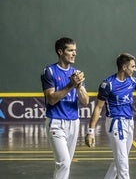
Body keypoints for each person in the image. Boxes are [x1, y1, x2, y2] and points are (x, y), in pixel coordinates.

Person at [41, 37, 89, 179]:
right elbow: (51, 99)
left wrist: (79, 86)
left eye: (75, 51)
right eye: (70, 50)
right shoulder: (49, 71)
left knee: (65, 165)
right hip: (56, 122)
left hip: (74, 122)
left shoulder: (76, 73)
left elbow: (85, 101)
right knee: (64, 162)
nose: (74, 54)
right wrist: (70, 85)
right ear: (60, 52)